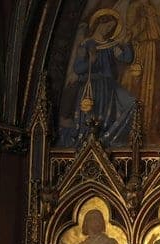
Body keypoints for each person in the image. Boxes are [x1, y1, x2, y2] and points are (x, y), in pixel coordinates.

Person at [59, 9, 137, 147]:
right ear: (99, 24)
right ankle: (87, 145)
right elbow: (78, 68)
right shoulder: (86, 44)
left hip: (107, 86)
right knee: (90, 120)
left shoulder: (111, 45)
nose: (108, 30)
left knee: (132, 103)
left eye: (111, 28)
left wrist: (126, 43)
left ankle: (110, 139)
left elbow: (126, 58)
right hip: (91, 87)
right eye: (107, 26)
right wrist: (92, 60)